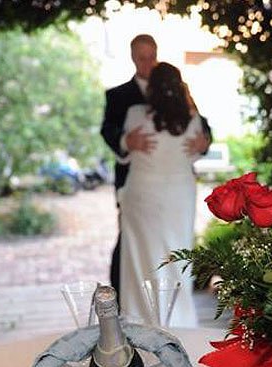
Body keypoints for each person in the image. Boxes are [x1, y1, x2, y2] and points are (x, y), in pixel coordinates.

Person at [100, 34, 210, 300]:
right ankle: (121, 299)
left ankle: (156, 302)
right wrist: (127, 140)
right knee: (131, 246)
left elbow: (202, 126)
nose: (148, 63)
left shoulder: (179, 90)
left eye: (152, 57)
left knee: (166, 247)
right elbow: (107, 129)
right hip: (137, 181)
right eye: (142, 58)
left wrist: (203, 142)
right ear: (132, 58)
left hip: (172, 185)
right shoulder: (119, 95)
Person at [117, 62, 205, 326]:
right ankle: (180, 320)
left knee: (140, 260)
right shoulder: (194, 119)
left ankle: (139, 321)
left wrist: (125, 142)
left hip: (144, 193)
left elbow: (126, 154)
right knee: (177, 256)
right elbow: (197, 150)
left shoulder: (135, 114)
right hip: (179, 195)